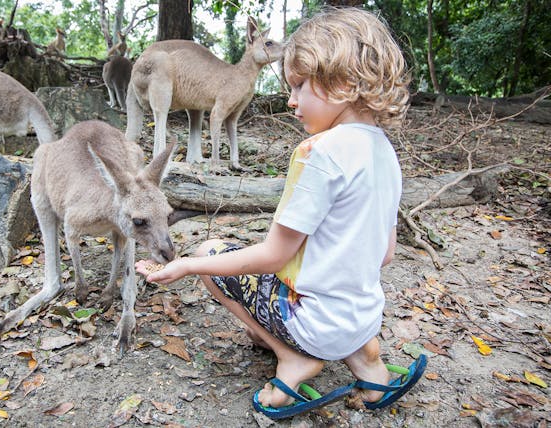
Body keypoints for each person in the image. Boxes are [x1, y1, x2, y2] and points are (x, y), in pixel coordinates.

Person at [136, 6, 426, 419]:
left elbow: (274, 255)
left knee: (208, 255)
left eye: (299, 86)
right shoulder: (385, 150)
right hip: (363, 317)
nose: (291, 101)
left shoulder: (317, 152)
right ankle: (368, 362)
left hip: (315, 326)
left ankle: (292, 358)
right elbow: (385, 253)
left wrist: (182, 265)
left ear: (340, 81)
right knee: (317, 282)